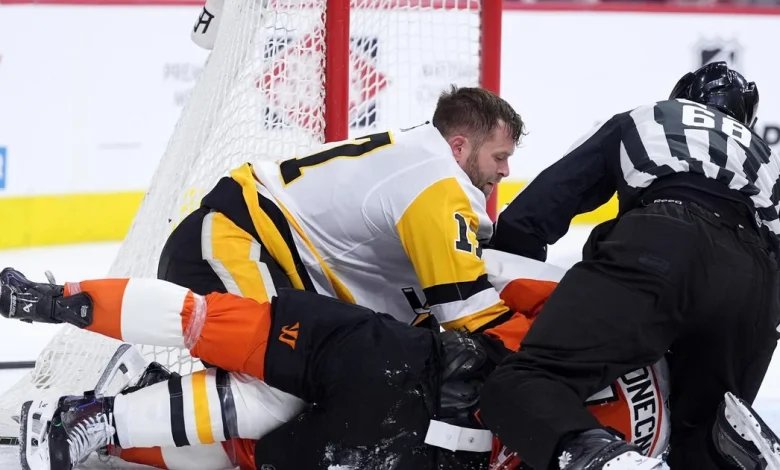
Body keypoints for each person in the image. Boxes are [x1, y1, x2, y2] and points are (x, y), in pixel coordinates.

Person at [0, 251, 672, 470]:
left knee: (214, 337)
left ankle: (91, 383)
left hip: (408, 364)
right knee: (242, 421)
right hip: (418, 440)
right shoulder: (653, 438)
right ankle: (98, 421)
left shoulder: (608, 321)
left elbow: (505, 280)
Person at [481, 61, 780, 470]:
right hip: (756, 285)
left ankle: (604, 460)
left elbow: (534, 214)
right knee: (700, 431)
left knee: (522, 384)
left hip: (665, 239)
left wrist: (508, 302)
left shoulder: (652, 116)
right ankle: (726, 454)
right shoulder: (767, 159)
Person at [158, 85, 524, 334]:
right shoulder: (437, 182)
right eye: (499, 157)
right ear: (458, 147)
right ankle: (114, 416)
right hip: (231, 242)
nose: (505, 170)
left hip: (245, 248)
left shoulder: (420, 157)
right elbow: (468, 313)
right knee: (278, 376)